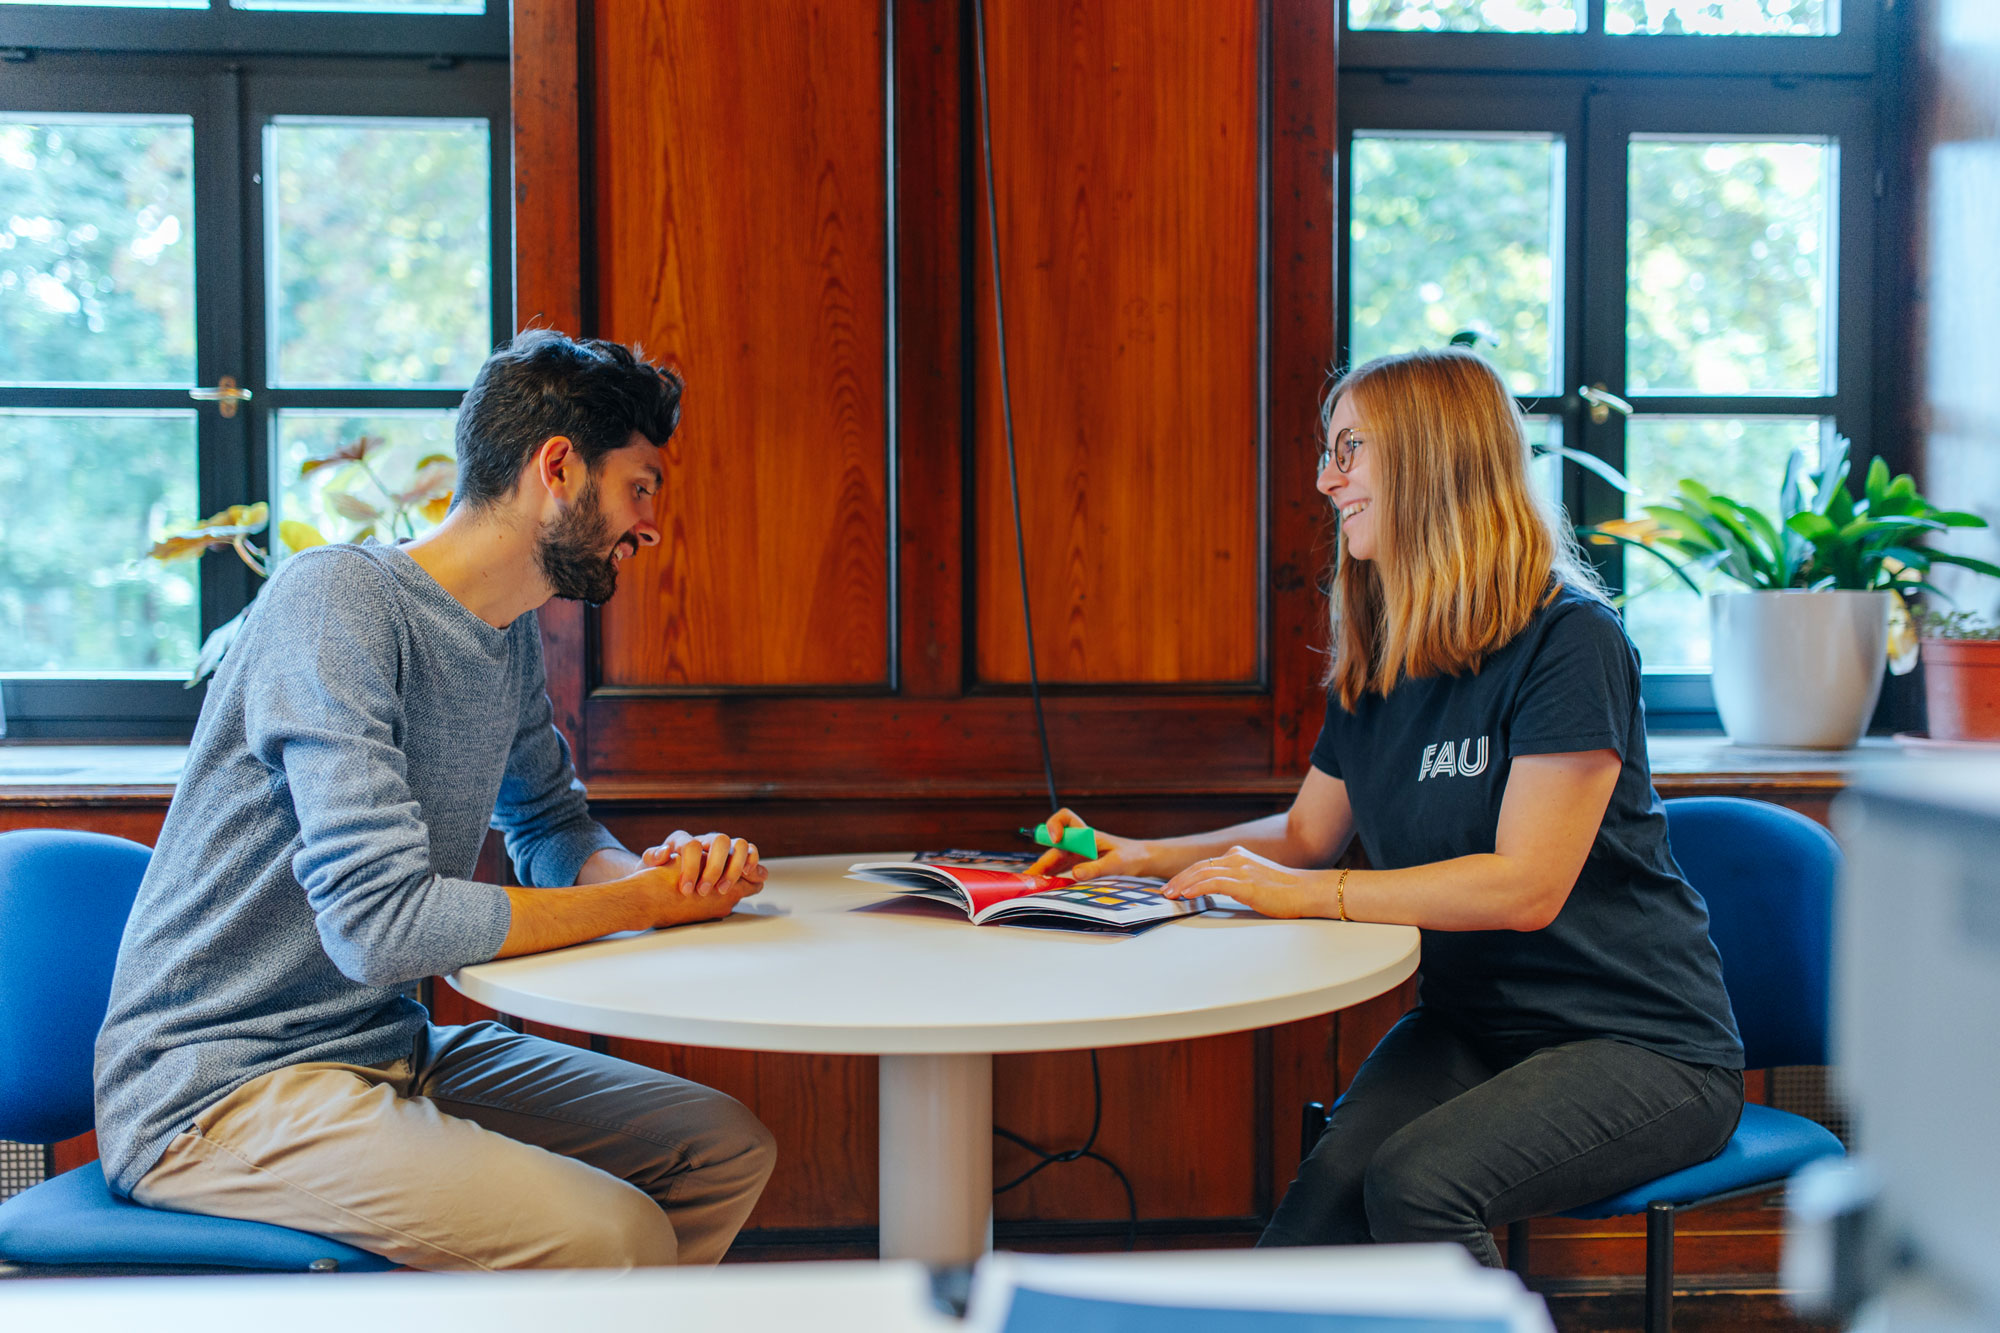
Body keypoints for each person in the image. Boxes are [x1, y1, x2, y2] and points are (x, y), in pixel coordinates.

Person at [1028, 347, 1744, 1265]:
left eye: (1349, 450)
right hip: (1475, 1026)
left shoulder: (1571, 640)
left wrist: (1311, 896)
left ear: (1432, 455)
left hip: (1645, 1045)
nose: (1326, 480)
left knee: (1418, 1186)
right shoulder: (1385, 649)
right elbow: (1304, 835)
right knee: (1310, 1230)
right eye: (1329, 452)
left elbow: (1523, 887)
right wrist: (1140, 853)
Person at [94, 330, 777, 1271]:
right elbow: (378, 926)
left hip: (384, 1046)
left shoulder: (505, 635)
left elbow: (549, 823)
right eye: (642, 486)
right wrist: (637, 904)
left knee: (720, 1145)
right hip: (221, 1086)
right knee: (617, 1237)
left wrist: (659, 873)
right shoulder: (335, 600)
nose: (651, 523)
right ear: (558, 468)